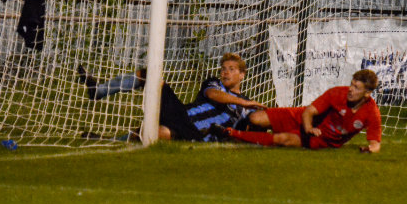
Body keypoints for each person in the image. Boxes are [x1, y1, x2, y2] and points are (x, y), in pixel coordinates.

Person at [78, 53, 266, 142]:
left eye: (231, 69)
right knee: (150, 75)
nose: (225, 72)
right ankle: (98, 90)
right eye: (223, 68)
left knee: (157, 133)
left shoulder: (249, 110)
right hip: (182, 115)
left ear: (242, 75)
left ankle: (108, 140)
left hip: (197, 134)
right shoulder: (215, 84)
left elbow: (254, 128)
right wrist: (244, 101)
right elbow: (213, 95)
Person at [212, 69, 382, 153]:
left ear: (367, 93)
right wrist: (308, 128)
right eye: (352, 84)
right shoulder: (337, 93)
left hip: (321, 139)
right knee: (256, 118)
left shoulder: (371, 113)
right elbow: (309, 112)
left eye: (356, 87)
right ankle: (252, 136)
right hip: (305, 120)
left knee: (282, 139)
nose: (351, 89)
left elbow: (375, 143)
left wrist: (369, 149)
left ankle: (231, 133)